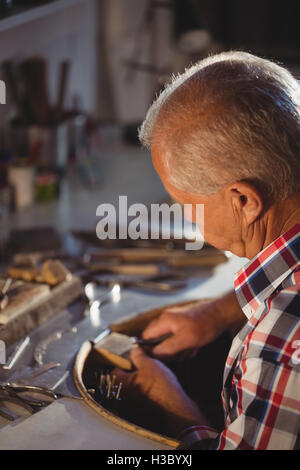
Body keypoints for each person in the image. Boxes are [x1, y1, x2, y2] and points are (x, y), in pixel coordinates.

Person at [115, 51, 300, 450]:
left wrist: (171, 407)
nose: (188, 220)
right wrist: (217, 312)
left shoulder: (279, 348)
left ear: (245, 201)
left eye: (187, 206)